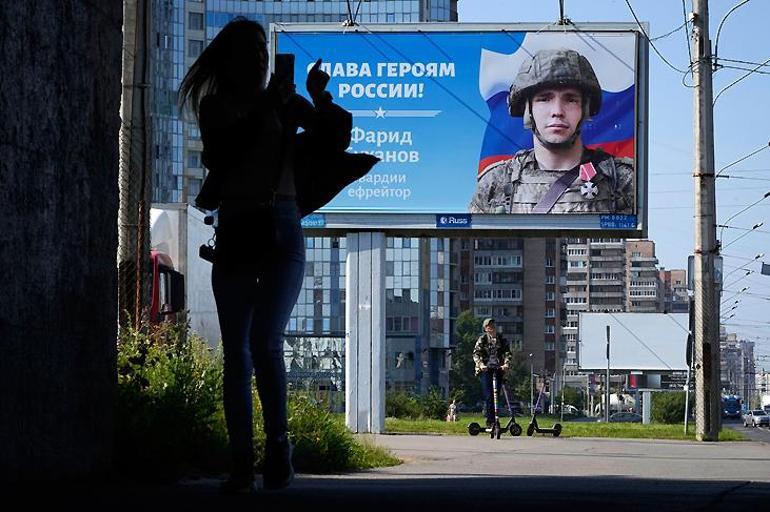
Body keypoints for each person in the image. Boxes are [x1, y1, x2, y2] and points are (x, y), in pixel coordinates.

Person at [178, 18, 355, 494]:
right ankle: (241, 462)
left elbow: (335, 137)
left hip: (281, 227)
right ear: (229, 57)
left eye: (263, 49)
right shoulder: (217, 106)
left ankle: (278, 450)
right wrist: (269, 105)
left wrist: (319, 98)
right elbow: (224, 154)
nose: (259, 56)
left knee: (265, 342)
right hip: (236, 228)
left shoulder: (283, 102)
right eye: (249, 49)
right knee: (235, 352)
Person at [469, 48, 634, 214]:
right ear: (528, 110)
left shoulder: (621, 179)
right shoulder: (496, 182)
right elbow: (471, 239)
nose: (557, 111)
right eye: (544, 99)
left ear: (585, 109)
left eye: (570, 99)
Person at [473, 318, 512, 427]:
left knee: (496, 395)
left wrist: (506, 364)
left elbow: (508, 353)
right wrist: (481, 365)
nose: (492, 328)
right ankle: (491, 421)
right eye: (489, 327)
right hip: (486, 369)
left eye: (493, 326)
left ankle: (496, 418)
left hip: (498, 369)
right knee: (489, 396)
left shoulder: (501, 339)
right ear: (485, 329)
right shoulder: (483, 339)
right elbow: (476, 353)